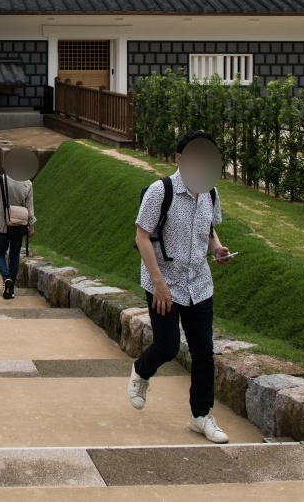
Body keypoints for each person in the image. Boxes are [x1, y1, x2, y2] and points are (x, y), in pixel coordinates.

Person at [128, 131, 234, 445]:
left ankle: (201, 416)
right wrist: (159, 284)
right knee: (167, 345)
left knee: (204, 352)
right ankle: (141, 372)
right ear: (179, 158)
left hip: (199, 284)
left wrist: (217, 249)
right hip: (164, 282)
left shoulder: (211, 192)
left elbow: (209, 228)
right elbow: (141, 236)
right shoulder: (162, 191)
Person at [0, 170, 36, 300]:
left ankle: (6, 278)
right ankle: (11, 289)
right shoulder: (27, 184)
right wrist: (31, 226)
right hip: (18, 225)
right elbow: (30, 209)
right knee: (14, 255)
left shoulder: (0, 180)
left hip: (1, 224)